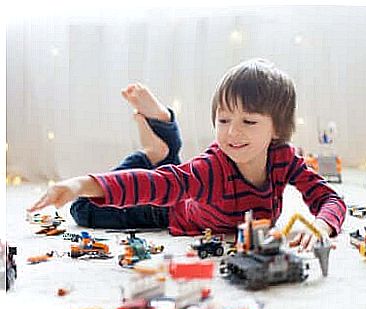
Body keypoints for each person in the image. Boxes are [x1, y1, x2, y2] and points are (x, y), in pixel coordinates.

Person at [28, 58, 346, 251]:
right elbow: (152, 185)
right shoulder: (212, 169)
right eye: (223, 120)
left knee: (173, 168)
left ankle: (162, 143)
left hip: (189, 187)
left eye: (248, 122)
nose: (232, 132)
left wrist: (320, 226)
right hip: (172, 212)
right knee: (83, 212)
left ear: (277, 130)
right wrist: (77, 186)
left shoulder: (284, 158)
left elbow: (330, 199)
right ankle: (153, 148)